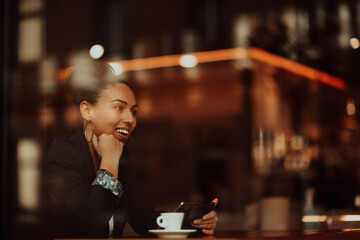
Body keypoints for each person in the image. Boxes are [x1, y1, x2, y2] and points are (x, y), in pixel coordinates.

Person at [45, 61, 218, 238]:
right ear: (87, 110)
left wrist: (195, 222)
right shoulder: (64, 153)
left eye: (133, 111)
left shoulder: (121, 157)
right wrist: (110, 161)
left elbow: (145, 219)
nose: (130, 119)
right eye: (118, 107)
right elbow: (91, 226)